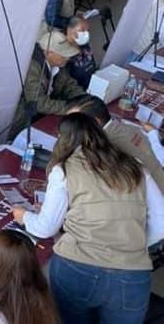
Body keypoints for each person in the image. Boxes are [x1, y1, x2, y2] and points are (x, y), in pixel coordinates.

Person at [13, 113, 163, 324]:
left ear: (62, 138)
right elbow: (162, 220)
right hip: (131, 274)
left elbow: (45, 228)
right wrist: (135, 243)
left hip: (77, 266)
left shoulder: (64, 168)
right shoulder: (135, 166)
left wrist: (24, 216)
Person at [70, 95, 164, 193]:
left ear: (96, 121)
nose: (69, 125)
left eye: (74, 121)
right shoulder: (131, 129)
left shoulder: (103, 146)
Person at [8, 31, 87, 140]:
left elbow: (69, 85)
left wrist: (85, 99)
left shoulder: (59, 64)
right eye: (64, 55)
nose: (67, 58)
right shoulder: (32, 67)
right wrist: (71, 108)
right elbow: (38, 103)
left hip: (43, 116)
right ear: (49, 52)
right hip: (24, 122)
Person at [64, 15, 96, 89]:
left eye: (87, 30)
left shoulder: (85, 45)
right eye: (82, 30)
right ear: (71, 30)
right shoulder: (63, 53)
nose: (86, 34)